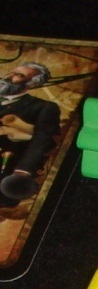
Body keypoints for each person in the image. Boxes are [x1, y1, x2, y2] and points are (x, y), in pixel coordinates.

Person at [0, 62, 60, 208]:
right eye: (11, 72)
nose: (8, 77)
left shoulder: (43, 107)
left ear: (32, 84)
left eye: (19, 75)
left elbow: (43, 140)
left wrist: (22, 172)